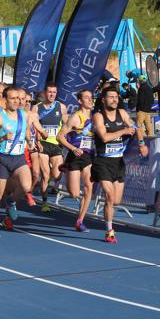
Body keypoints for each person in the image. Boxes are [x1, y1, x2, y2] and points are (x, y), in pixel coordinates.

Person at [92, 87, 148, 243]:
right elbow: (104, 137)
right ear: (103, 100)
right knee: (109, 196)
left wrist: (142, 143)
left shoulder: (122, 114)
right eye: (111, 97)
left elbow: (136, 128)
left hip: (118, 162)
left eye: (116, 97)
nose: (115, 100)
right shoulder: (98, 116)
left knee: (115, 201)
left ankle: (107, 208)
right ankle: (109, 231)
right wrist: (123, 131)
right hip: (102, 161)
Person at [0, 87, 34, 237]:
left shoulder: (24, 115)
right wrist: (2, 138)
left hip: (19, 158)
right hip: (2, 159)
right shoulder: (0, 118)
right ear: (5, 100)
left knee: (26, 186)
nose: (17, 101)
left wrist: (32, 142)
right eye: (13, 98)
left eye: (18, 98)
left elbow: (26, 131)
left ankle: (12, 201)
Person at [57, 89, 95, 232]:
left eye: (91, 97)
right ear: (80, 101)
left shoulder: (95, 117)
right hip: (75, 156)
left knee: (88, 188)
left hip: (89, 156)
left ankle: (80, 220)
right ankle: (66, 168)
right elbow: (60, 137)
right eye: (87, 98)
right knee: (74, 193)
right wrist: (72, 148)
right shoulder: (75, 118)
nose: (90, 100)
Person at [32, 83, 68, 213]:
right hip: (43, 144)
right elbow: (34, 125)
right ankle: (45, 202)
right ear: (45, 93)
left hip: (56, 144)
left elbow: (66, 124)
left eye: (54, 92)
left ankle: (47, 186)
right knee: (46, 175)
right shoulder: (37, 108)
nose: (52, 94)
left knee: (57, 175)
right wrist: (37, 141)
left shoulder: (61, 107)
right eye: (50, 92)